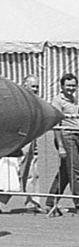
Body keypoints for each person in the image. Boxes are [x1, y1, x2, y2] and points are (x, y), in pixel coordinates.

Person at [0, 76, 45, 212]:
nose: (36, 89)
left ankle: (33, 203)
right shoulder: (18, 100)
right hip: (20, 140)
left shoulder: (36, 102)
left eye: (37, 86)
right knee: (16, 173)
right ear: (24, 85)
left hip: (32, 139)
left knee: (33, 173)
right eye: (33, 86)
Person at [46, 73, 79, 217]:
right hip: (66, 137)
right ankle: (78, 202)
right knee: (75, 171)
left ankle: (51, 201)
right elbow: (56, 124)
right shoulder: (58, 101)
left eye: (73, 85)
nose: (71, 88)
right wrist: (60, 146)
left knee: (67, 171)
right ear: (62, 86)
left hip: (76, 135)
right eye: (68, 86)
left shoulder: (74, 99)